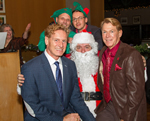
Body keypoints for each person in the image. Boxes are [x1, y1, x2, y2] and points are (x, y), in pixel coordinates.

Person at [21, 24, 95, 121]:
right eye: (56, 40)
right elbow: (33, 106)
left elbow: (76, 98)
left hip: (66, 114)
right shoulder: (30, 68)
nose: (60, 45)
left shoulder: (70, 65)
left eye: (63, 41)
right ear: (47, 40)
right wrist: (62, 120)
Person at [95, 18, 147, 121]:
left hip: (127, 107)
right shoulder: (103, 53)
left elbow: (136, 92)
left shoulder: (131, 54)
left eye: (112, 31)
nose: (107, 35)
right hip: (109, 105)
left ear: (120, 33)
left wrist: (125, 117)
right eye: (104, 32)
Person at [70, 32, 102, 117]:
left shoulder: (102, 64)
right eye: (79, 47)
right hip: (76, 111)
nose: (83, 51)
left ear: (93, 48)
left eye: (87, 47)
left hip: (100, 110)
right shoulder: (68, 66)